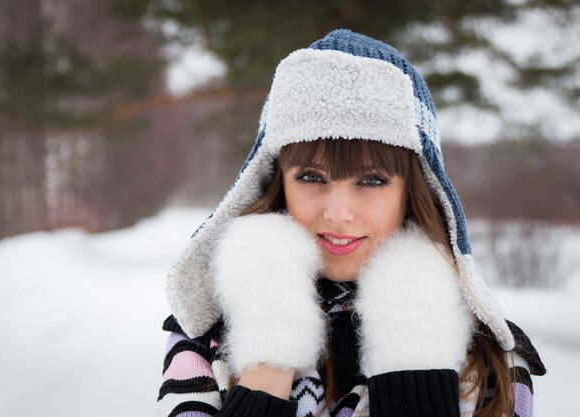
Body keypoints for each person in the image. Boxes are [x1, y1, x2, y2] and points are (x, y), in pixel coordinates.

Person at [155, 29, 545, 417]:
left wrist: (414, 360)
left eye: (372, 180)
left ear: (415, 189)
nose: (339, 213)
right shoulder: (209, 343)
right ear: (278, 180)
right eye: (311, 177)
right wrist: (267, 360)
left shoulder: (488, 358)